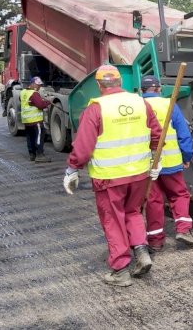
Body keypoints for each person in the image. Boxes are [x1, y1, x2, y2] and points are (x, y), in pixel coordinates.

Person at [62, 65, 163, 287]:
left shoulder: (96, 108)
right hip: (138, 174)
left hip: (109, 178)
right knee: (133, 213)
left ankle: (120, 271)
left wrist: (73, 168)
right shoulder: (140, 102)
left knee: (113, 220)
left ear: (99, 85)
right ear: (120, 82)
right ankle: (142, 253)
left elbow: (84, 146)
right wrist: (157, 159)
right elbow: (157, 134)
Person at [140, 75, 193, 250]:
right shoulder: (169, 105)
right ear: (158, 89)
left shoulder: (137, 106)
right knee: (179, 194)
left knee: (153, 199)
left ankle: (156, 241)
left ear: (141, 90)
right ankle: (183, 230)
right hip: (171, 163)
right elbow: (183, 134)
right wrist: (187, 157)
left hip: (146, 164)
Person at [20, 76, 51, 162]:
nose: (39, 87)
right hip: (35, 120)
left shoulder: (23, 92)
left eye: (40, 85)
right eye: (38, 85)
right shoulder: (34, 94)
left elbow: (25, 101)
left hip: (27, 121)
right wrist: (48, 102)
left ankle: (32, 155)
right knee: (39, 136)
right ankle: (40, 155)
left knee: (30, 137)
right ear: (33, 84)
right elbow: (40, 105)